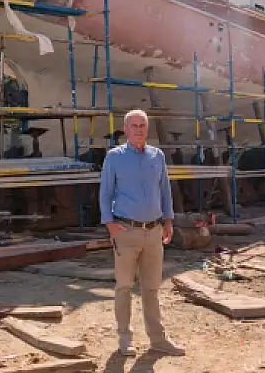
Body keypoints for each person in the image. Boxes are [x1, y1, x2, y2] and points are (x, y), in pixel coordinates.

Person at [99, 110, 186, 357]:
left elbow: (165, 190)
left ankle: (158, 339)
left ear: (147, 129)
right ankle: (125, 339)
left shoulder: (156, 156)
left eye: (142, 125)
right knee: (124, 287)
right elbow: (105, 192)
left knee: (151, 288)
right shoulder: (114, 158)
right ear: (125, 129)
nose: (138, 129)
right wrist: (109, 224)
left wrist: (169, 220)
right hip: (126, 231)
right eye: (134, 125)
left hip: (154, 231)